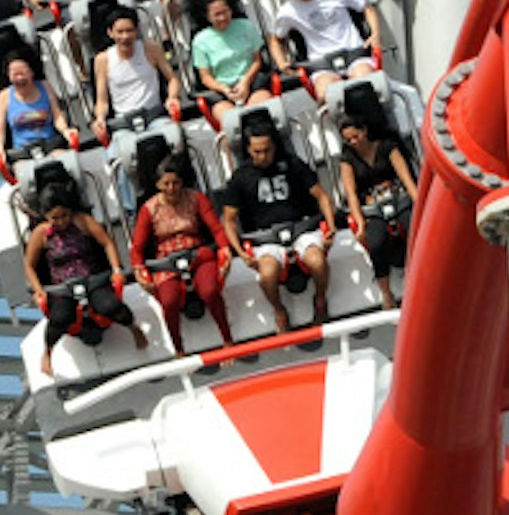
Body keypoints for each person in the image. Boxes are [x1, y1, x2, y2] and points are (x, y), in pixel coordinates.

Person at [22, 184, 145, 376]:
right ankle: (48, 351)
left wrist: (115, 269)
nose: (61, 222)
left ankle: (133, 328)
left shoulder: (82, 222)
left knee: (110, 307)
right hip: (63, 287)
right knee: (60, 318)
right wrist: (40, 290)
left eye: (64, 216)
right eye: (55, 218)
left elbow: (107, 243)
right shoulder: (41, 234)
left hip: (92, 279)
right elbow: (29, 265)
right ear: (46, 216)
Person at [222, 126, 336, 332]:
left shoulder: (293, 164)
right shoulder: (240, 178)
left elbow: (322, 196)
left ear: (274, 146)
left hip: (302, 228)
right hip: (265, 239)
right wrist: (239, 252)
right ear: (248, 150)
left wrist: (331, 227)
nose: (263, 156)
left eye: (267, 150)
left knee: (317, 261)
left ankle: (320, 299)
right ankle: (279, 310)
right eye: (257, 151)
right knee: (267, 274)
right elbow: (229, 220)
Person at [129, 159, 234, 354]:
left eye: (175, 183)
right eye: (166, 184)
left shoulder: (196, 198)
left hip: (196, 253)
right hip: (167, 260)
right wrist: (139, 270)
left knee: (210, 291)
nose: (171, 188)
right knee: (169, 301)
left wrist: (224, 249)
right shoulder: (149, 209)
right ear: (158, 185)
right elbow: (137, 248)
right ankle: (179, 349)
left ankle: (228, 339)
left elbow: (216, 229)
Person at [266, 0, 382, 94]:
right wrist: (281, 63)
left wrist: (375, 34)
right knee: (326, 93)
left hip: (354, 53)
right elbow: (275, 39)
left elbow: (367, 8)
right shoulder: (287, 12)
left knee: (364, 82)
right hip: (321, 65)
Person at [339, 114, 417, 310]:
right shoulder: (347, 159)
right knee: (376, 243)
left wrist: (418, 202)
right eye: (348, 140)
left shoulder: (387, 147)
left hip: (398, 198)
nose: (353, 142)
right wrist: (360, 223)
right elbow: (351, 194)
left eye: (355, 137)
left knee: (414, 229)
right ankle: (386, 293)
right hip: (372, 207)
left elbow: (406, 178)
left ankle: (422, 275)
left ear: (364, 131)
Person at [92, 6, 182, 136]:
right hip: (123, 123)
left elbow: (172, 79)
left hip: (154, 115)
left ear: (136, 31)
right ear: (110, 33)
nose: (125, 36)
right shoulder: (103, 60)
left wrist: (172, 97)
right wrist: (100, 119)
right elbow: (102, 100)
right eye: (120, 32)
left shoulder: (151, 49)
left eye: (129, 31)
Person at [192, 0, 275, 115]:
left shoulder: (246, 26)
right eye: (217, 14)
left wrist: (245, 82)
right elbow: (205, 77)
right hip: (221, 90)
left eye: (225, 12)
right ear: (208, 17)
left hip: (251, 82)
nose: (223, 18)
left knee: (260, 113)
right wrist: (224, 89)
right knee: (231, 120)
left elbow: (257, 60)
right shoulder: (200, 41)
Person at [0, 52, 70, 153]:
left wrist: (66, 131)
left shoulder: (45, 87)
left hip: (50, 145)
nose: (20, 78)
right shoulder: (4, 96)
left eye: (22, 73)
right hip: (22, 152)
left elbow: (57, 116)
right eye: (15, 74)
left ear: (31, 72)